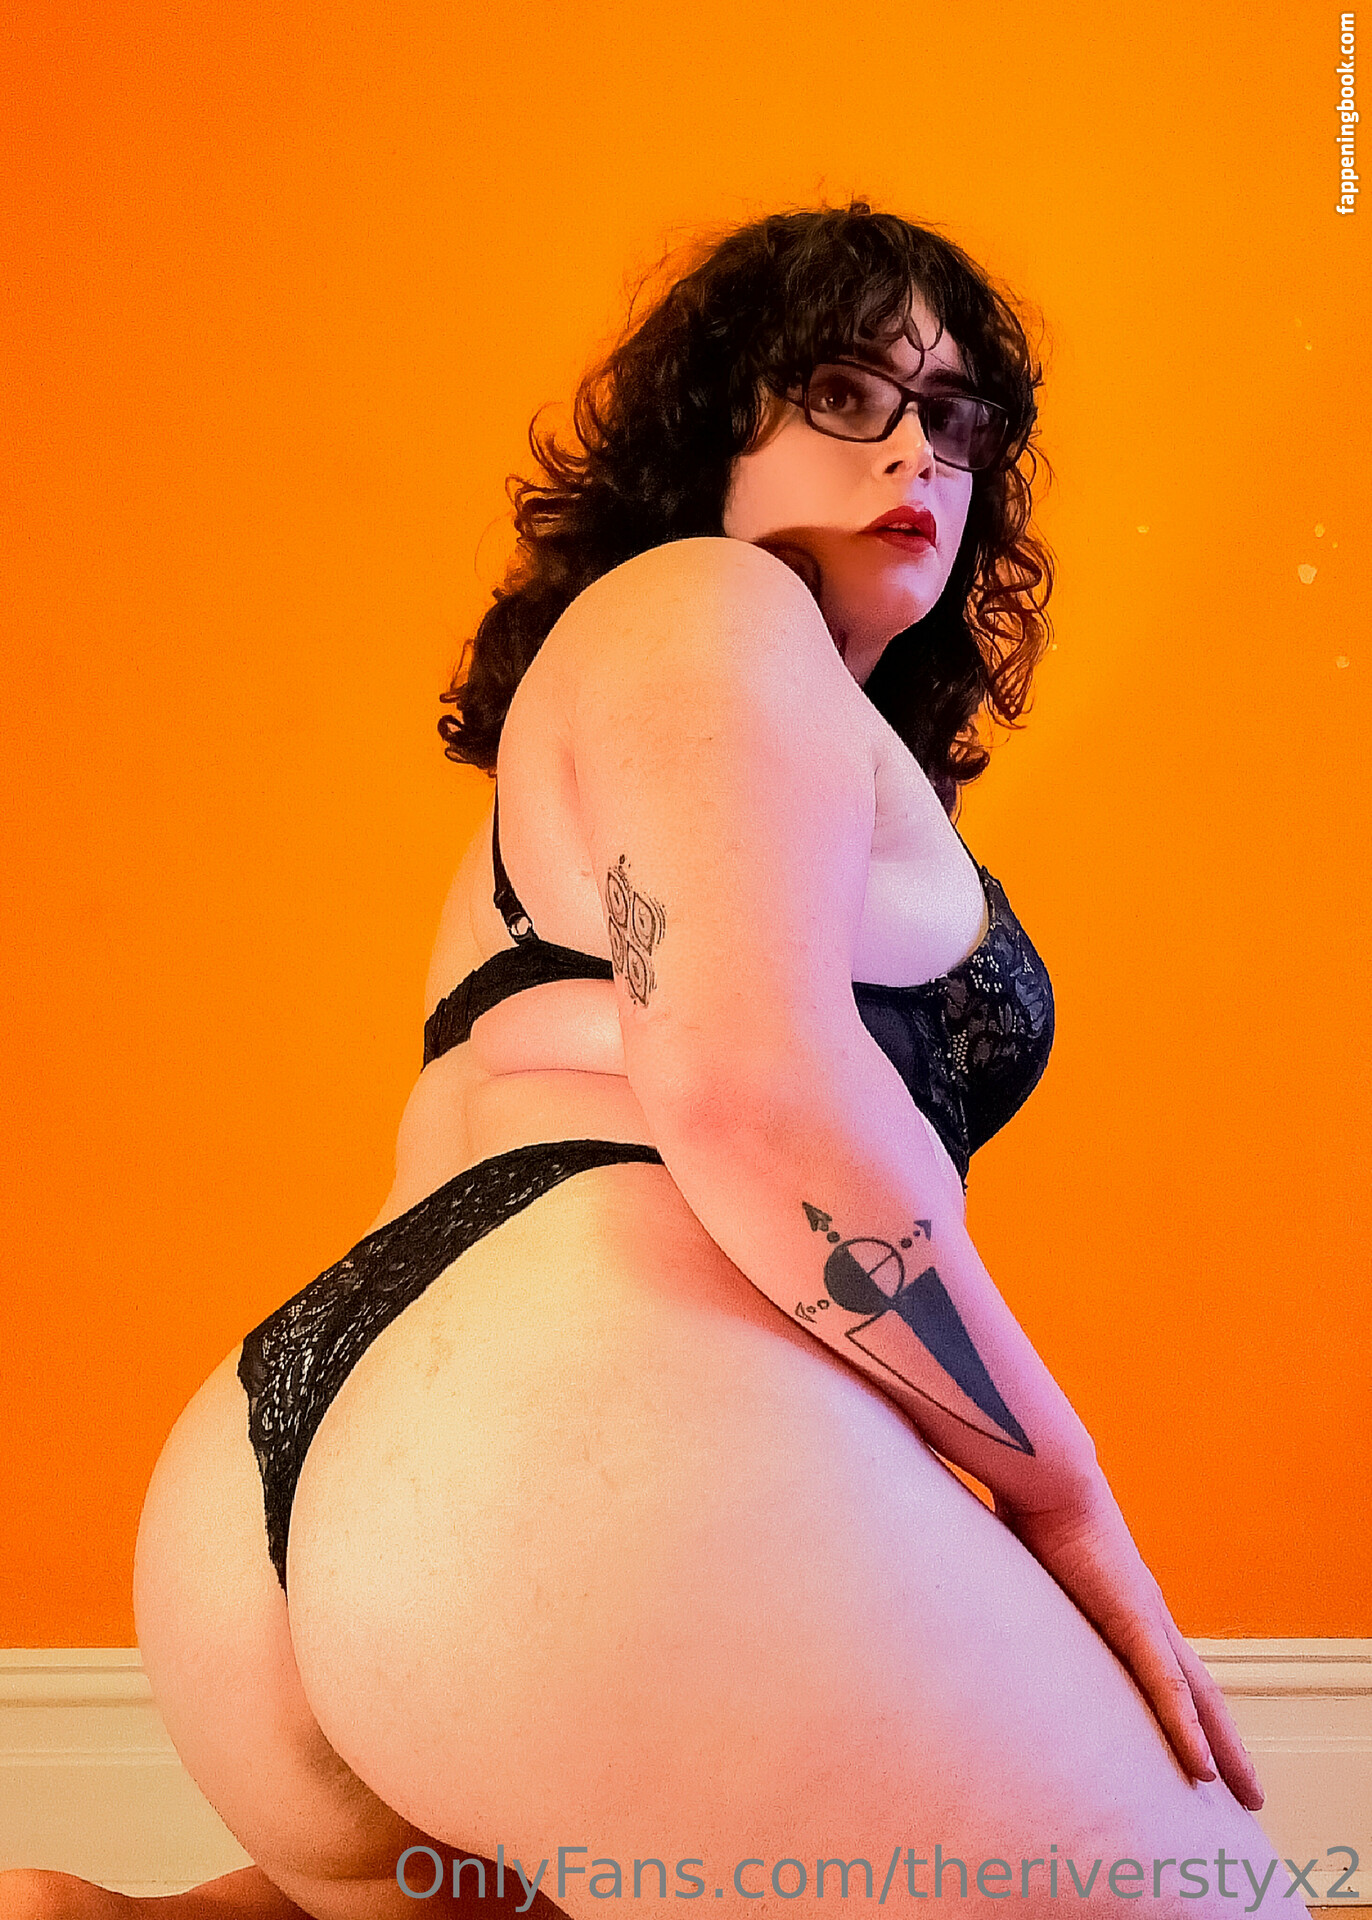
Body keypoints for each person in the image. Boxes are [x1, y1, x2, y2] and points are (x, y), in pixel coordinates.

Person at [3, 202, 1294, 1920]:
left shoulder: (679, 701)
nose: (915, 452)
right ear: (712, 433)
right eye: (849, 392)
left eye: (955, 417)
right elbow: (751, 1089)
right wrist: (1064, 1501)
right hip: (567, 1454)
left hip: (309, 1498)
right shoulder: (708, 600)